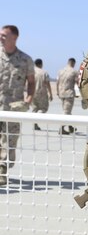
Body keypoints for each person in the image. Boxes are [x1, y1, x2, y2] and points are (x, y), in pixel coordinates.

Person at [0, 25, 35, 186]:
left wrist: (28, 100)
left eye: (4, 35)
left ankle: (3, 168)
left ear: (14, 38)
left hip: (13, 108)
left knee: (10, 142)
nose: (1, 37)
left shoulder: (25, 59)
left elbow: (31, 82)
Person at [56, 57, 78, 134]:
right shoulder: (74, 72)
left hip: (61, 93)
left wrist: (57, 92)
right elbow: (77, 82)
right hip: (69, 94)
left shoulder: (61, 71)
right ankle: (61, 128)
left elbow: (57, 82)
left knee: (67, 110)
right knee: (67, 112)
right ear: (73, 63)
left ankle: (70, 127)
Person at [32, 58, 53, 129]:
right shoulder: (44, 72)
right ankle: (37, 118)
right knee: (43, 108)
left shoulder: (31, 72)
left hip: (32, 93)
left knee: (34, 109)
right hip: (42, 93)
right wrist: (50, 94)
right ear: (41, 64)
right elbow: (48, 84)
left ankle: (35, 123)